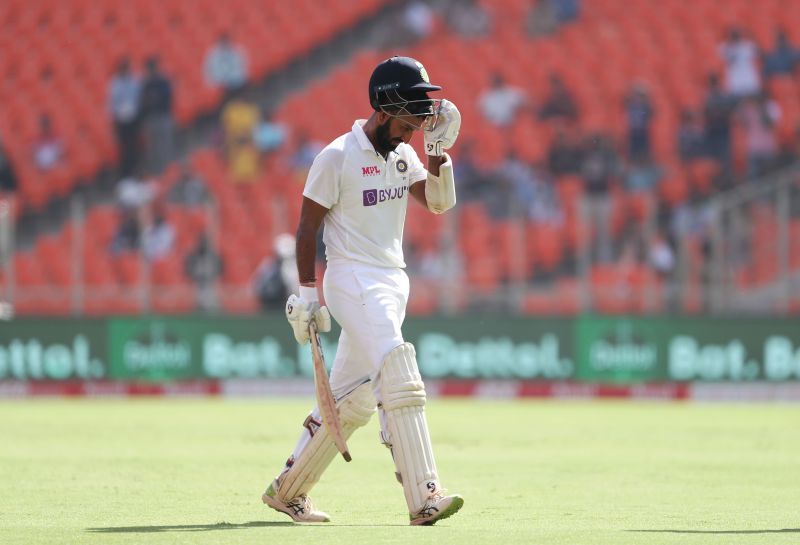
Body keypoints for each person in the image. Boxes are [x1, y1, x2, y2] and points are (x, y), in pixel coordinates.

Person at [262, 56, 464, 526]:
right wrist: (309, 295)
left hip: (392, 280)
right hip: (351, 278)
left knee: (349, 400)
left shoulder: (406, 154)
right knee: (398, 368)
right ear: (386, 104)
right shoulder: (336, 157)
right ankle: (424, 495)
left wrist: (437, 151)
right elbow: (307, 228)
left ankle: (287, 489)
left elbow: (438, 203)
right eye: (414, 110)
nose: (420, 120)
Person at [139, 56, 175, 173]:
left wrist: (154, 99)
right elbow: (143, 102)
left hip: (163, 115)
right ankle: (157, 172)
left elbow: (167, 98)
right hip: (151, 118)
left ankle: (168, 170)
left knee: (165, 144)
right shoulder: (145, 84)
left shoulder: (162, 81)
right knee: (154, 146)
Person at [108, 57, 141, 178]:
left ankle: (134, 172)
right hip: (121, 120)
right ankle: (125, 174)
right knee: (124, 148)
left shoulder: (134, 80)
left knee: (134, 147)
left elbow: (138, 97)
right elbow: (112, 104)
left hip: (133, 118)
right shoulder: (116, 84)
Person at [252, 233, 299, 312]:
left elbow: (294, 291)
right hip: (267, 306)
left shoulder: (294, 268)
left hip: (285, 307)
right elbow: (255, 286)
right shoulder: (268, 265)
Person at [719, 27, 761, 99]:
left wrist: (750, 35)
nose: (735, 37)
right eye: (733, 35)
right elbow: (723, 53)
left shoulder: (746, 46)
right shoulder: (726, 47)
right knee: (738, 103)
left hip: (749, 79)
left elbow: (759, 51)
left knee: (753, 101)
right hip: (735, 81)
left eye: (737, 35)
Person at [184, 233, 223, 311]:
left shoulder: (213, 256)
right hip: (196, 286)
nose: (204, 244)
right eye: (202, 242)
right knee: (199, 297)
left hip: (210, 285)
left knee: (211, 299)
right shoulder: (194, 256)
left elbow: (220, 270)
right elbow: (188, 271)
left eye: (205, 242)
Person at [204, 32, 249, 98]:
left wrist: (232, 81)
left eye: (226, 42)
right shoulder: (213, 54)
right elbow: (208, 71)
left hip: (235, 85)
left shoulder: (237, 51)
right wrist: (218, 83)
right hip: (219, 86)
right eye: (223, 42)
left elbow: (242, 70)